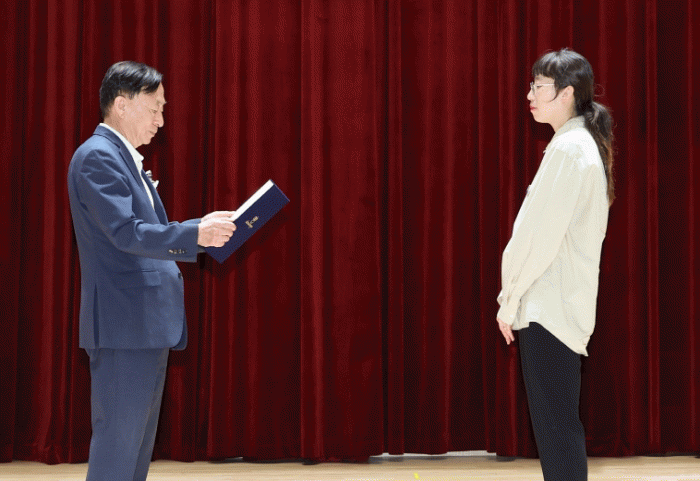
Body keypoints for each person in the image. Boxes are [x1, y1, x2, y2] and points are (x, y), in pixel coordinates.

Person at [67, 61, 237, 481]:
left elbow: (143, 232)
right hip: (125, 324)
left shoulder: (119, 157)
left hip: (142, 324)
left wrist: (201, 229)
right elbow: (126, 233)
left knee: (135, 450)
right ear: (122, 105)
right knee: (118, 448)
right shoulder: (98, 157)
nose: (161, 120)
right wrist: (195, 233)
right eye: (155, 108)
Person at [496, 48, 614, 481]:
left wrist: (509, 301)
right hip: (558, 307)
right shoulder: (574, 145)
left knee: (557, 431)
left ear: (566, 94)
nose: (529, 95)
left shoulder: (569, 149)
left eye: (539, 86)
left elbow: (539, 239)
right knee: (558, 428)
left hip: (550, 308)